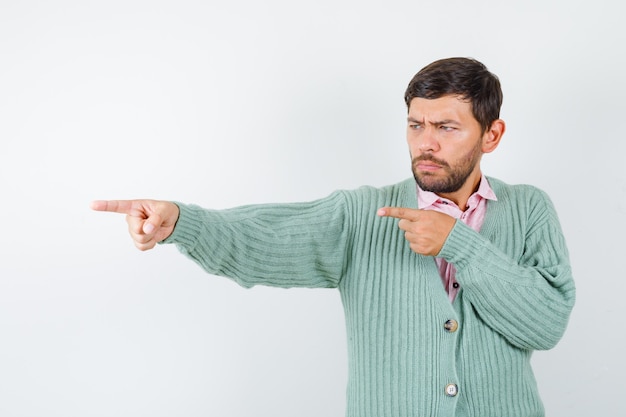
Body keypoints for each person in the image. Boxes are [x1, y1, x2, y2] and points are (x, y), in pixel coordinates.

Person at [91, 57, 576, 417]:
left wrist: (459, 245)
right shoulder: (363, 213)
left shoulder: (529, 208)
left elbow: (547, 324)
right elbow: (263, 238)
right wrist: (182, 222)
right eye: (415, 125)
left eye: (447, 127)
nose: (426, 142)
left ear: (491, 135)